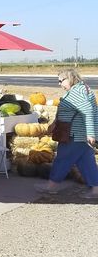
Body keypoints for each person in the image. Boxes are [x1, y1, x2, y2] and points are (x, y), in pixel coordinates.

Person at [35, 68, 98, 198]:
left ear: (70, 78)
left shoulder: (78, 92)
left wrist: (91, 133)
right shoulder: (81, 89)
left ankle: (51, 186)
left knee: (62, 159)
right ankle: (96, 190)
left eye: (61, 81)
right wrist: (53, 125)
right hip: (80, 134)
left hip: (75, 134)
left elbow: (88, 112)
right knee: (86, 162)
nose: (59, 84)